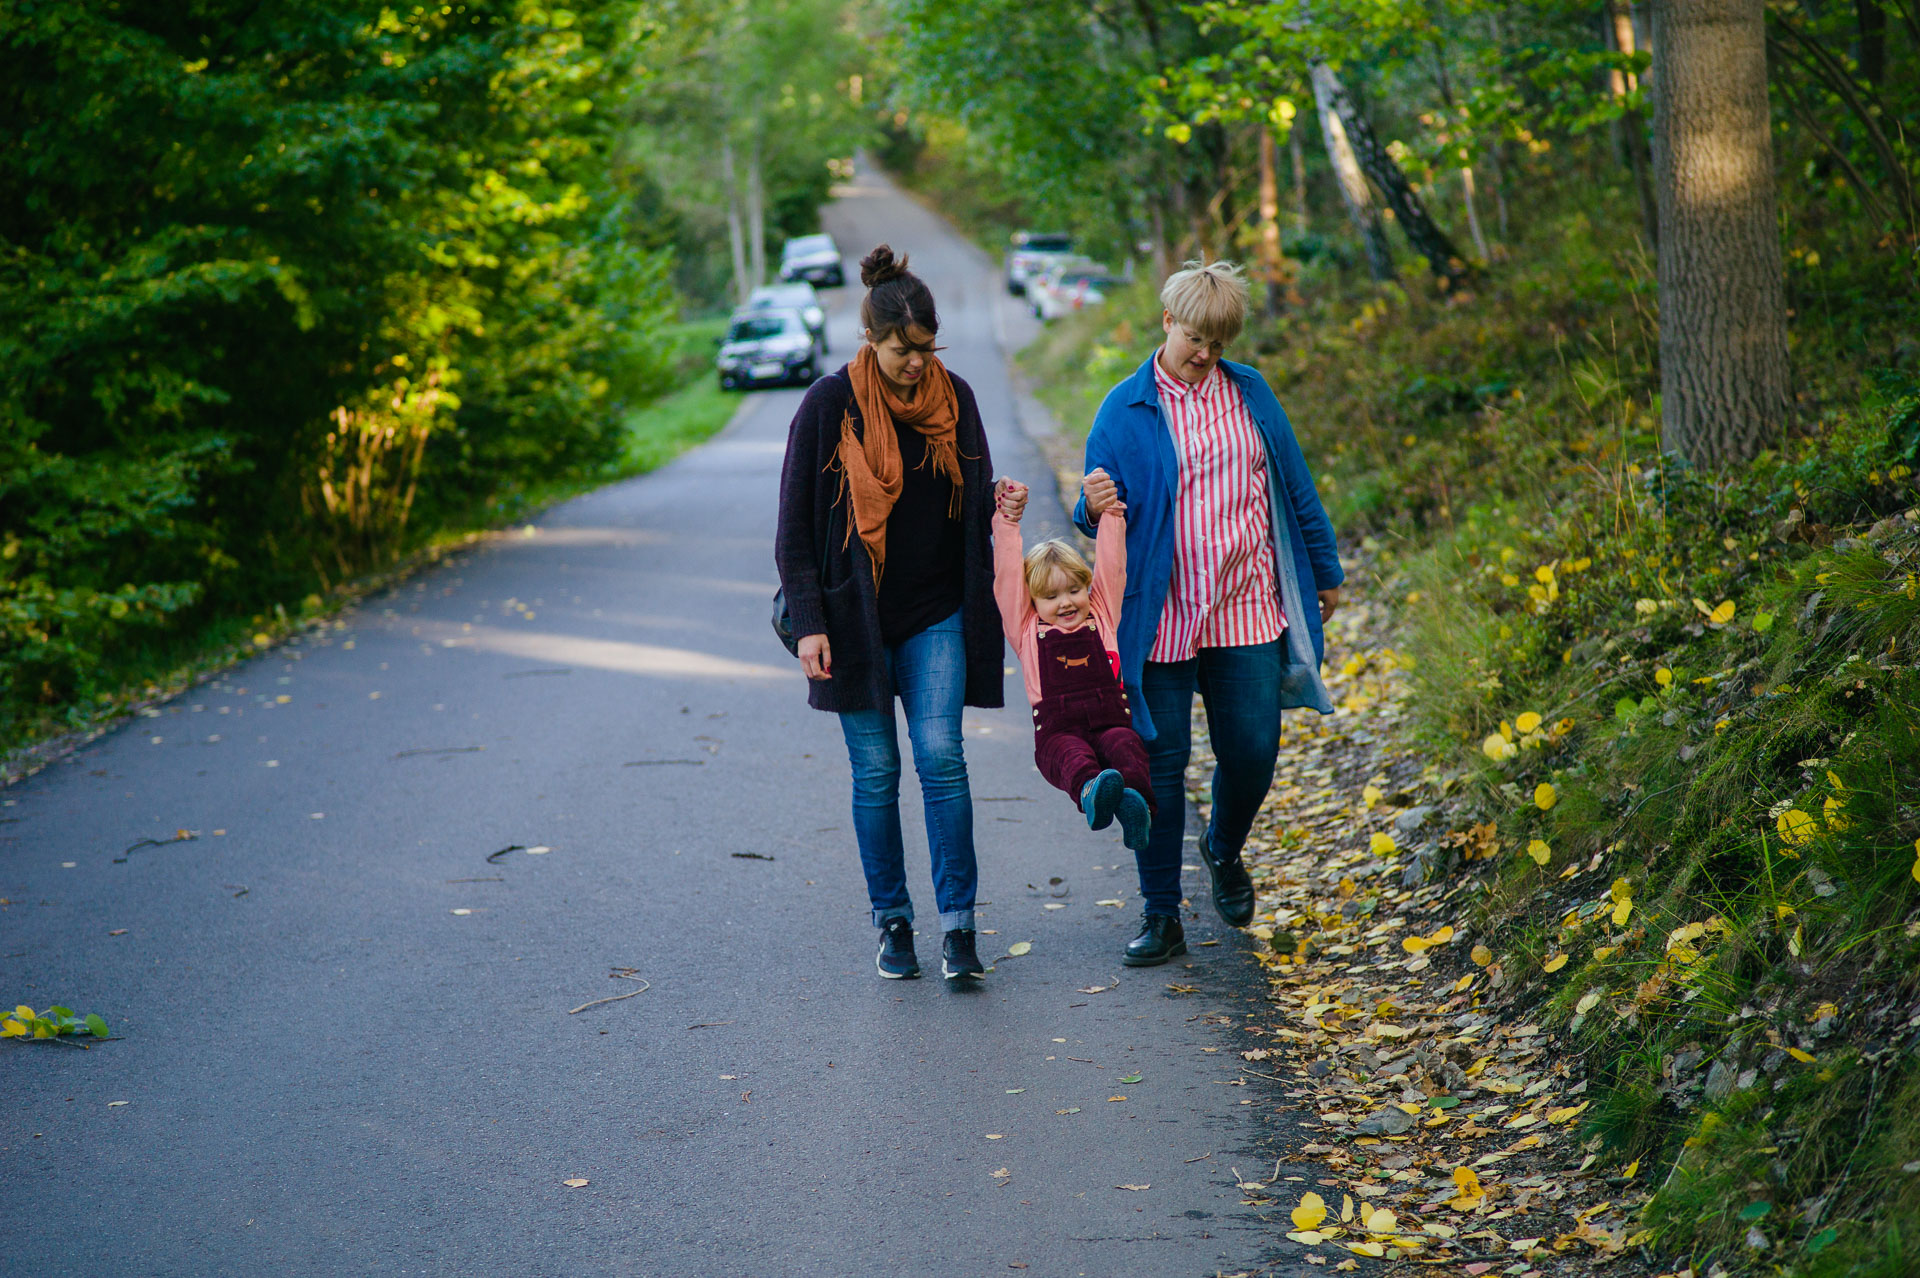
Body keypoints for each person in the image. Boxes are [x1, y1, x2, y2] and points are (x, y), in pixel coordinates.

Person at [1072, 260, 1344, 967]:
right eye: (1195, 338)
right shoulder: (1124, 408)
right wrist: (1088, 508)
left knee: (1253, 750)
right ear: (1168, 322)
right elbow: (1094, 509)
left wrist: (1325, 572)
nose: (1205, 354)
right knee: (1160, 765)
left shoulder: (1250, 392)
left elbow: (1295, 486)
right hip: (1159, 616)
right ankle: (1161, 915)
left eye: (1218, 343)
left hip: (1245, 603)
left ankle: (1222, 847)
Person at [774, 244, 1004, 983]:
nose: (915, 363)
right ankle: (894, 921)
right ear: (869, 339)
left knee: (941, 757)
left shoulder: (956, 398)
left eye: (926, 348)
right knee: (876, 773)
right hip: (854, 622)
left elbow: (974, 506)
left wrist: (1003, 508)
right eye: (902, 350)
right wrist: (809, 622)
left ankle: (959, 927)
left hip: (937, 612)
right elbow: (794, 529)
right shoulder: (827, 405)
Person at [989, 478, 1155, 853]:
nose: (1065, 602)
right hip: (1058, 733)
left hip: (1110, 723)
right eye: (1051, 596)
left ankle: (1137, 809)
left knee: (1127, 746)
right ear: (1033, 601)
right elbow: (1008, 576)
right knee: (1073, 757)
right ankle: (1092, 792)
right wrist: (1007, 522)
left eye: (1074, 590)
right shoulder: (1026, 628)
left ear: (1087, 588)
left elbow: (1113, 566)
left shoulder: (1102, 614)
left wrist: (1110, 512)